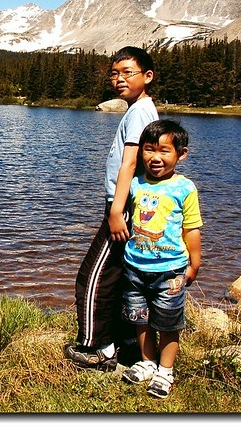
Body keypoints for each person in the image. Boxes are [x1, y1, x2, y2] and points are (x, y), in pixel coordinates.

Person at [64, 46, 158, 371]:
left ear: (147, 77)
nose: (119, 79)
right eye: (114, 73)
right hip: (128, 205)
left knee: (92, 277)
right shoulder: (139, 109)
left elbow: (130, 162)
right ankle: (124, 342)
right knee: (119, 275)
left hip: (124, 207)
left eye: (127, 73)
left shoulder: (141, 111)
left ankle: (96, 347)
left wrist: (117, 210)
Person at [119, 119, 202, 399]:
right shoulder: (135, 182)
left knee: (168, 323)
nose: (155, 158)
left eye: (164, 151)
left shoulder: (185, 188)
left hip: (171, 272)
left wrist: (195, 262)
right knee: (139, 319)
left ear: (182, 154)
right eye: (149, 150)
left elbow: (191, 228)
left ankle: (166, 370)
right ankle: (146, 361)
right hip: (134, 267)